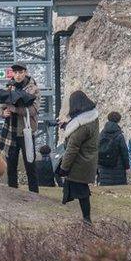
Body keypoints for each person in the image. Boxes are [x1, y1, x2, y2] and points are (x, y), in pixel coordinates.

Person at [57, 90, 99, 224]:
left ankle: (87, 220)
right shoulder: (92, 118)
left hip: (79, 162)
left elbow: (72, 148)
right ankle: (86, 219)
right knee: (82, 190)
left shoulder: (82, 126)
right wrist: (67, 126)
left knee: (82, 192)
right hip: (87, 159)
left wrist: (64, 167)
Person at [0, 63, 40, 193]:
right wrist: (2, 113)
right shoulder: (8, 87)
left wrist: (16, 109)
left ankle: (34, 193)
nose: (18, 75)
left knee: (30, 164)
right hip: (10, 131)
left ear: (25, 72)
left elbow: (34, 110)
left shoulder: (33, 89)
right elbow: (0, 106)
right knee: (11, 165)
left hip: (26, 131)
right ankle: (13, 193)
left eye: (20, 72)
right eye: (15, 73)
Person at [96, 111, 130, 186]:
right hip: (118, 165)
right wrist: (127, 166)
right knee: (119, 188)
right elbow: (124, 152)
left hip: (104, 165)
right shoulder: (119, 135)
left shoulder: (101, 133)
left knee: (106, 187)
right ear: (118, 120)